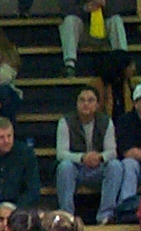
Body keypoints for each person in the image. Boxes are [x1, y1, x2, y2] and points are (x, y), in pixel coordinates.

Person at [55, 87, 131, 224]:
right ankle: (66, 216)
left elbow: (112, 151)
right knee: (64, 166)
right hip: (76, 169)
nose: (86, 104)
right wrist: (82, 158)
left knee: (116, 166)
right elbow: (61, 153)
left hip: (98, 169)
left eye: (90, 100)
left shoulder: (106, 122)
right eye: (82, 100)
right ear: (76, 103)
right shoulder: (65, 122)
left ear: (97, 104)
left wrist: (99, 157)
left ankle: (105, 216)